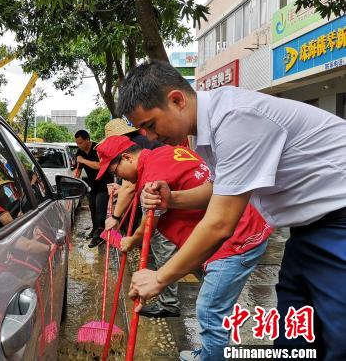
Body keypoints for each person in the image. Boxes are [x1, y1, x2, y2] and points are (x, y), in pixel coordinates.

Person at [117, 60, 346, 360]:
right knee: (296, 334)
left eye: (149, 125)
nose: (148, 137)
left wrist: (160, 278)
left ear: (176, 100)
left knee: (338, 335)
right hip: (308, 229)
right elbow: (220, 189)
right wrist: (171, 200)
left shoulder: (237, 119)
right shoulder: (206, 132)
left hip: (339, 221)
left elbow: (220, 223)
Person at [96, 135, 271, 360]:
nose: (117, 177)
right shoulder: (165, 152)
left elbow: (148, 226)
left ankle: (211, 356)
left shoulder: (152, 176)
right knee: (212, 303)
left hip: (234, 240)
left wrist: (130, 241)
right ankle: (209, 351)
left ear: (127, 158)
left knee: (209, 310)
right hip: (229, 230)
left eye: (115, 171)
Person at [100, 118, 180, 318]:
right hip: (169, 199)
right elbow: (130, 185)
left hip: (234, 234)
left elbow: (129, 187)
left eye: (115, 170)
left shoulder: (141, 153)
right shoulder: (144, 145)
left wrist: (115, 218)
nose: (118, 174)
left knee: (163, 247)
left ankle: (169, 304)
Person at [74, 129, 113, 248]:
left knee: (100, 212)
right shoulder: (79, 152)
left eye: (80, 143)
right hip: (92, 186)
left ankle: (99, 236)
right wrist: (75, 180)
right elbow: (78, 169)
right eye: (77, 143)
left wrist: (83, 160)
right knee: (93, 210)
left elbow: (100, 166)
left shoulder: (98, 148)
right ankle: (95, 229)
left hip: (104, 184)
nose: (78, 145)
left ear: (87, 140)